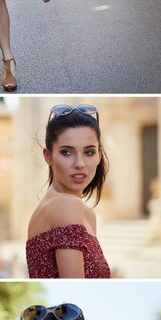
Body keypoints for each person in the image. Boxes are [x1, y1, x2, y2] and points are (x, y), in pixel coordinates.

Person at [27, 106, 111, 279]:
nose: (80, 163)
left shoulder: (87, 214)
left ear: (99, 155)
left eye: (89, 152)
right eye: (67, 152)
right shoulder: (66, 205)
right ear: (48, 156)